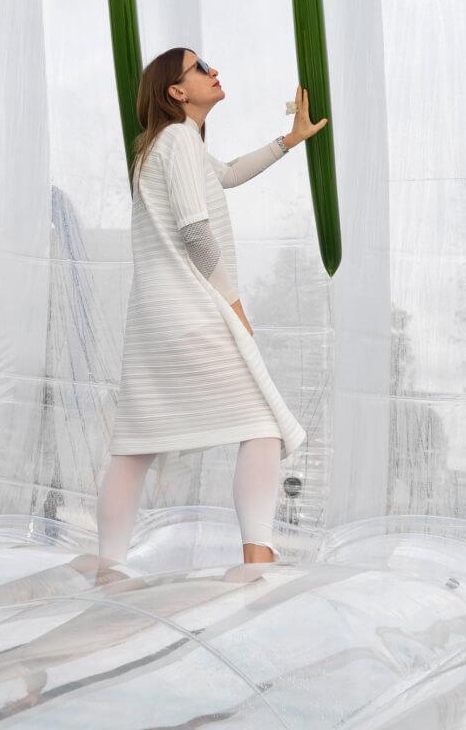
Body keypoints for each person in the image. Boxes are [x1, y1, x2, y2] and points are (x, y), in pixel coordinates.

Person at [96, 48, 328, 568]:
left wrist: (290, 139)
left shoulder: (160, 147)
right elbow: (196, 234)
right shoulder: (177, 139)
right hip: (190, 311)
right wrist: (234, 304)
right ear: (176, 92)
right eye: (200, 68)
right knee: (262, 422)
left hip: (154, 318)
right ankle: (257, 562)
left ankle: (107, 569)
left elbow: (226, 173)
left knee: (136, 444)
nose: (215, 70)